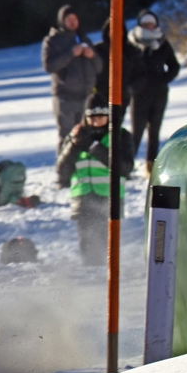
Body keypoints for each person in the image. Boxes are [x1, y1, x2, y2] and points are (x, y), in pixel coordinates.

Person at [56, 93, 133, 266]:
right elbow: (62, 171)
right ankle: (91, 277)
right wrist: (73, 146)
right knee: (88, 248)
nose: (96, 122)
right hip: (83, 199)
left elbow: (125, 168)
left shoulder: (120, 136)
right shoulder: (76, 135)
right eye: (92, 118)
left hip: (109, 199)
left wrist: (94, 147)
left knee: (107, 249)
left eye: (100, 117)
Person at [42, 5, 103, 156]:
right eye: (68, 19)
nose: (72, 22)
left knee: (86, 137)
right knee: (67, 137)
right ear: (61, 21)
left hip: (86, 97)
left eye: (74, 19)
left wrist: (92, 56)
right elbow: (49, 66)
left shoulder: (84, 39)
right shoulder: (53, 41)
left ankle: (81, 167)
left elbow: (99, 67)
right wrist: (71, 53)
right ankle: (64, 169)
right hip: (65, 97)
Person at [128, 9, 180, 176]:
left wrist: (163, 79)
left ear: (155, 24)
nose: (149, 26)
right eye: (145, 23)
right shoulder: (133, 42)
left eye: (151, 23)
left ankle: (151, 166)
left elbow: (174, 66)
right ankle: (127, 166)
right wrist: (132, 84)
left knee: (154, 132)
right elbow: (126, 67)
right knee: (136, 133)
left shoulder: (162, 42)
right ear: (140, 24)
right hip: (139, 95)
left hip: (159, 94)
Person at [93, 17, 146, 132]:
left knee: (115, 129)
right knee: (98, 131)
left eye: (119, 30)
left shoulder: (131, 51)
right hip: (99, 99)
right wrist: (93, 91)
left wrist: (130, 89)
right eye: (112, 30)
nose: (116, 33)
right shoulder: (97, 50)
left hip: (121, 98)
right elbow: (89, 73)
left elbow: (141, 75)